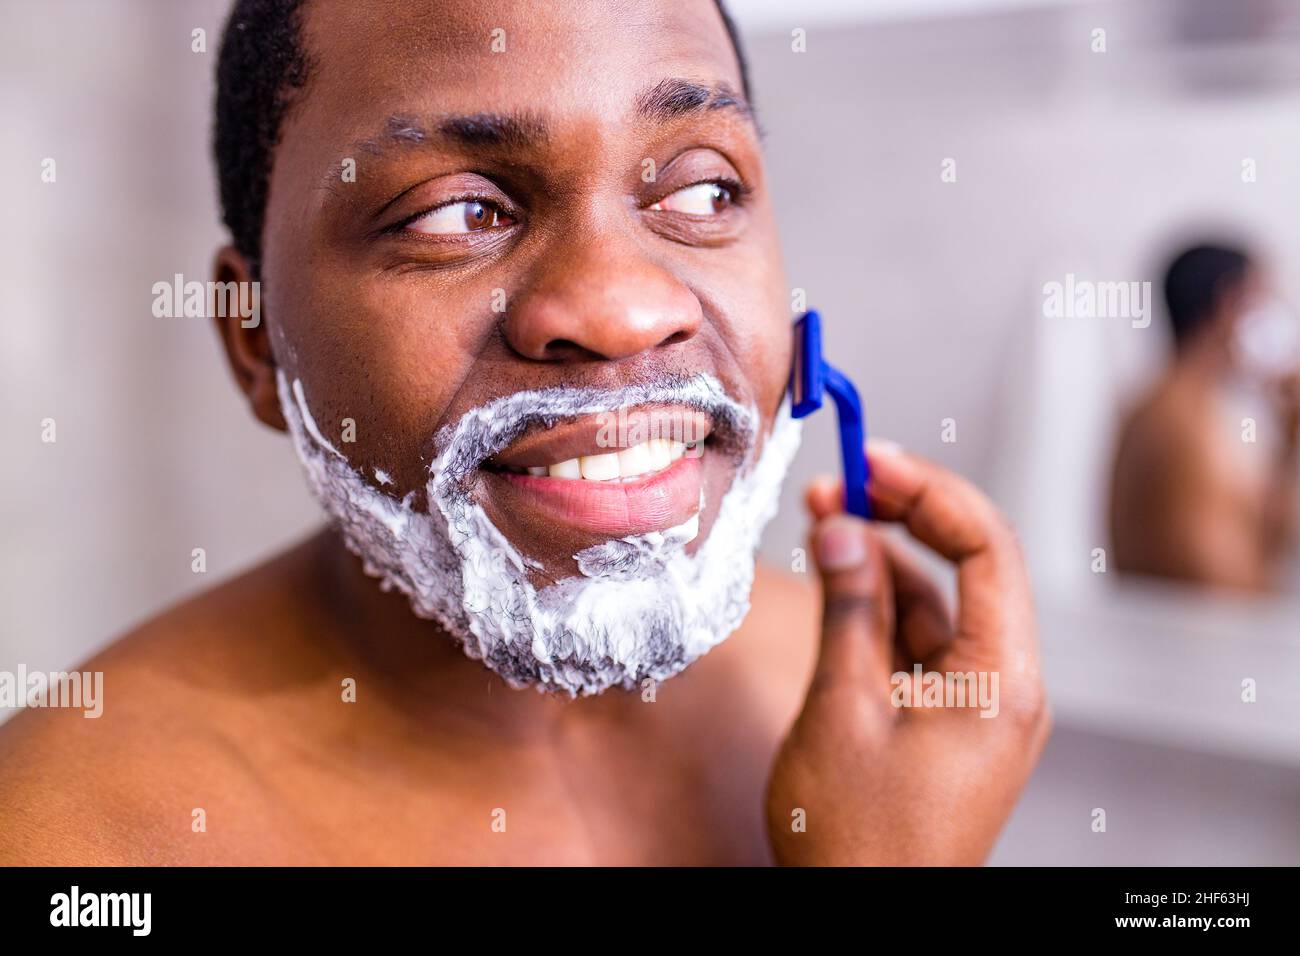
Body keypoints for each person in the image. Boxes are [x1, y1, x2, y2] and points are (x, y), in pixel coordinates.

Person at [0, 0, 1048, 865]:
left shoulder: (866, 701)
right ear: (254, 338)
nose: (622, 309)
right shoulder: (77, 839)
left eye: (699, 187)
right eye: (457, 212)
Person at [1111, 243, 1300, 592]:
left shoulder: (1162, 406)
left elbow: (1250, 543)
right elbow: (1227, 592)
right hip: (1190, 644)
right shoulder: (1186, 428)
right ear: (1232, 305)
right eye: (1266, 301)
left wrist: (1289, 440)